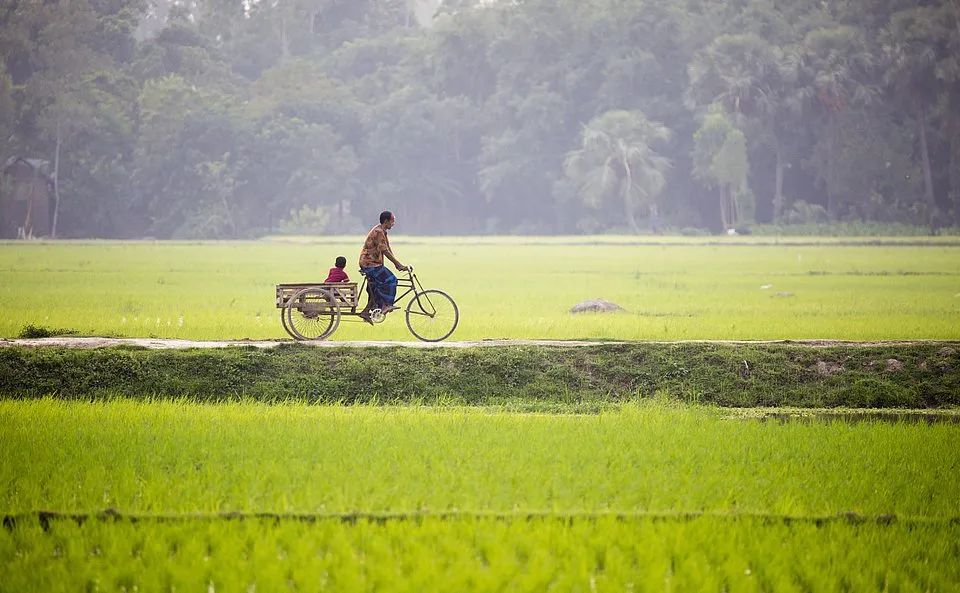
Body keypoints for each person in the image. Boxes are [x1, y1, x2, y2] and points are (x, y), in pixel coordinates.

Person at [358, 210, 408, 323]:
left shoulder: (382, 231)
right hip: (370, 264)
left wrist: (398, 264)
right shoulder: (378, 231)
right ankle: (386, 305)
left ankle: (366, 312)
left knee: (375, 288)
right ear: (386, 221)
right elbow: (384, 250)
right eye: (392, 221)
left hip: (373, 263)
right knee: (391, 280)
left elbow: (388, 248)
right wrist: (397, 264)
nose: (393, 223)